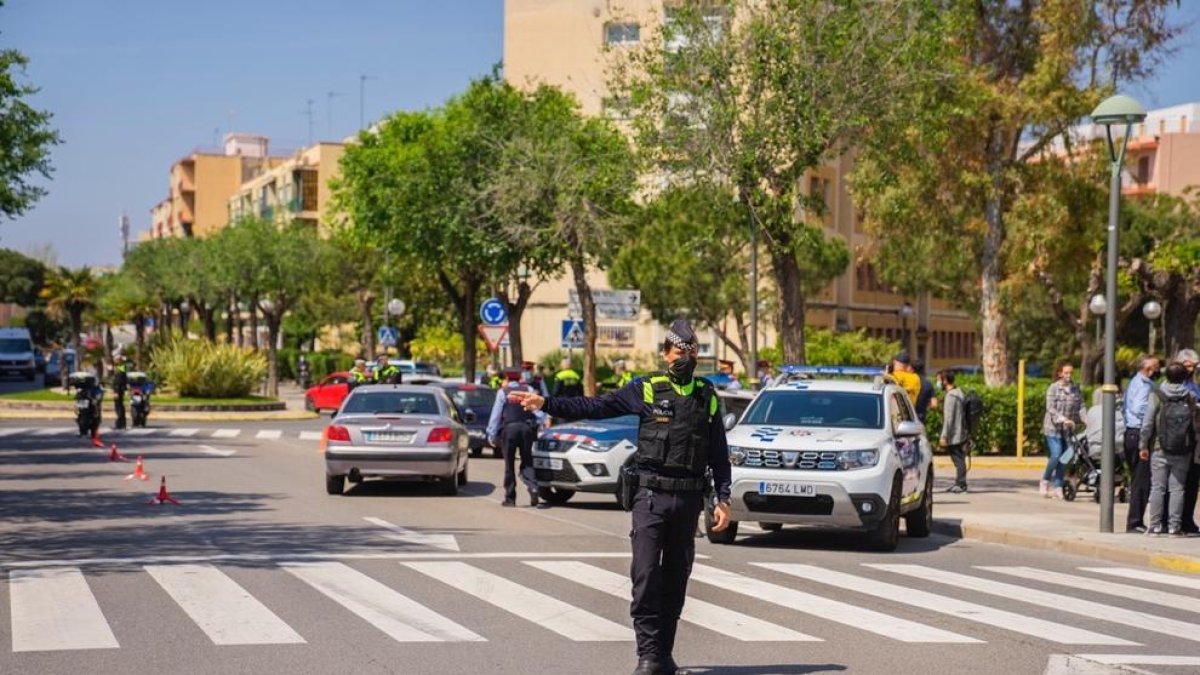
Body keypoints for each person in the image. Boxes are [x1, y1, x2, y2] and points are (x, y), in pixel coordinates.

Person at [507, 319, 732, 675]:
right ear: (665, 353)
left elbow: (718, 452)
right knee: (645, 577)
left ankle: (663, 655)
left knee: (675, 579)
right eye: (677, 352)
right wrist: (546, 403)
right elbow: (596, 406)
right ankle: (647, 655)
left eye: (690, 352)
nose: (683, 358)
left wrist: (723, 497)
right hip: (651, 498)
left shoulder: (706, 396)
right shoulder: (647, 388)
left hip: (688, 502)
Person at [1140, 362, 1199, 536]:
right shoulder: (1190, 396)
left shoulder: (1157, 395)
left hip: (1160, 447)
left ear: (1166, 376)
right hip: (1183, 448)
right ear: (1184, 377)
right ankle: (1175, 526)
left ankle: (1155, 525)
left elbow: (1148, 423)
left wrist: (1143, 445)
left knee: (1158, 487)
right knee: (1178, 488)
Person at [486, 369, 547, 508]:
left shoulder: (503, 392)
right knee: (527, 460)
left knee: (509, 465)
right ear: (519, 378)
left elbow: (496, 416)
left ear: (507, 378)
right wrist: (543, 421)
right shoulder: (528, 389)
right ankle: (533, 487)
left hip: (510, 430)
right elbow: (537, 410)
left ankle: (510, 498)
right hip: (526, 429)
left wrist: (491, 434)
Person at [1123, 355, 1160, 532]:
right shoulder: (1144, 386)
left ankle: (1136, 520)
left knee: (1139, 479)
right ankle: (1135, 522)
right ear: (1148, 369)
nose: (1158, 371)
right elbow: (1139, 409)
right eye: (1156, 367)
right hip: (1139, 433)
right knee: (1141, 481)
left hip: (1132, 433)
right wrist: (1154, 414)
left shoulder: (1135, 382)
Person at [1041, 361, 1084, 500]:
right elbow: (1050, 408)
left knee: (1065, 458)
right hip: (1053, 428)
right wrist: (1063, 418)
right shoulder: (1053, 388)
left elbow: (1081, 406)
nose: (1069, 376)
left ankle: (1058, 486)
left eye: (1071, 373)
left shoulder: (1075, 389)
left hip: (1068, 430)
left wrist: (1087, 419)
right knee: (1056, 454)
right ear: (1060, 373)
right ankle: (1045, 480)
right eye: (1066, 373)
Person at [1174, 349, 1200, 533]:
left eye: (1195, 366)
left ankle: (1187, 519)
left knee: (1192, 480)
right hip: (1181, 437)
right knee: (1178, 482)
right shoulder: (1175, 385)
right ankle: (1176, 520)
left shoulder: (1194, 384)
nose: (1192, 369)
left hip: (1195, 436)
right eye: (1189, 366)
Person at [938, 369, 969, 493]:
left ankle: (961, 484)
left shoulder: (951, 396)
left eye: (939, 380)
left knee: (958, 459)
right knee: (959, 458)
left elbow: (949, 418)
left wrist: (944, 436)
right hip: (961, 431)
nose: (938, 382)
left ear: (945, 381)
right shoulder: (959, 392)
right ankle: (959, 483)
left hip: (954, 434)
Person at [913, 357, 935, 423]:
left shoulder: (908, 382)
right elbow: (934, 404)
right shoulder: (928, 383)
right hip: (921, 417)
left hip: (908, 417)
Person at [111, 353, 129, 430]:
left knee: (118, 406)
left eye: (116, 359)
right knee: (120, 406)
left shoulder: (120, 369)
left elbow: (119, 381)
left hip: (118, 390)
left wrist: (116, 391)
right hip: (120, 389)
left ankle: (120, 423)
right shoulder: (121, 368)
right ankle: (121, 423)